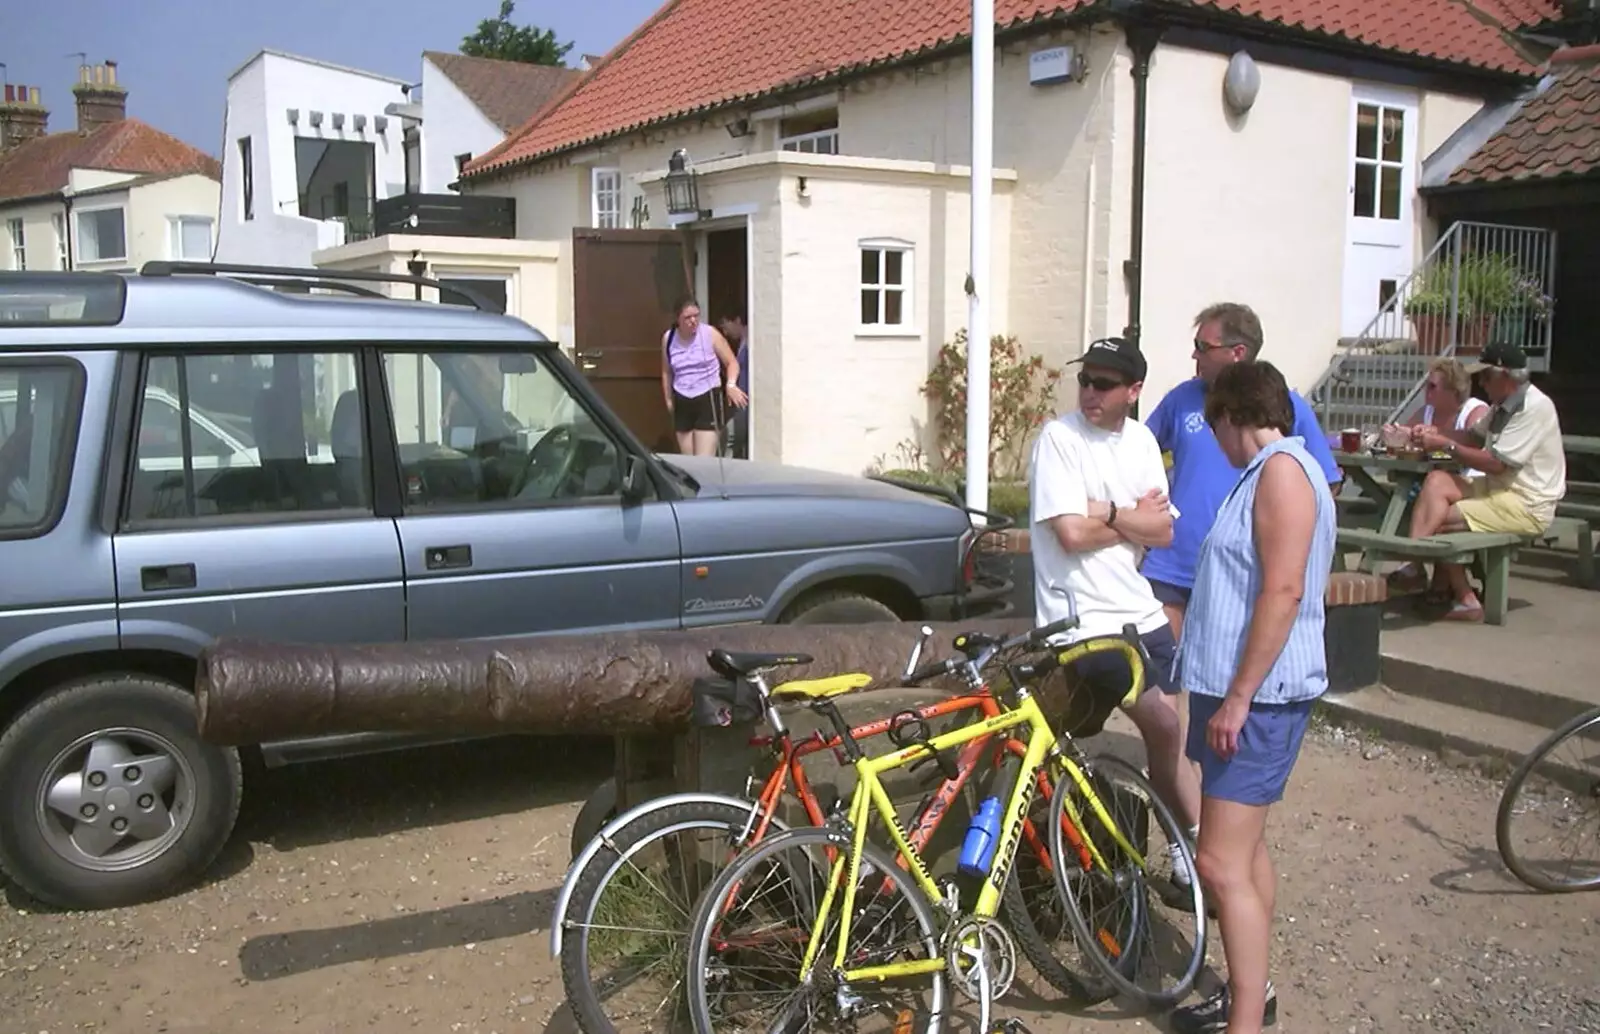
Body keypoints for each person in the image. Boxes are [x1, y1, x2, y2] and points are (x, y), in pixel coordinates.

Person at [1169, 360, 1336, 1034]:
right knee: (1245, 852)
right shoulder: (1264, 475)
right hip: (1231, 691)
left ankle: (1245, 1020)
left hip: (1258, 700)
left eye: (1216, 429)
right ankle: (1251, 992)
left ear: (1234, 416)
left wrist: (1239, 698)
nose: (1217, 442)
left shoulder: (1282, 474)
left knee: (1218, 861)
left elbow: (1284, 591)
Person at [1028, 336, 1203, 878]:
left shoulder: (1143, 442)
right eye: (1084, 380)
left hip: (1141, 610)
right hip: (1084, 623)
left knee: (1174, 732)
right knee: (1163, 722)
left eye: (1103, 384)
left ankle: (1189, 851)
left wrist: (1104, 510)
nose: (1089, 392)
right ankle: (1197, 850)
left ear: (1134, 391)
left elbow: (1166, 530)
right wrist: (1130, 519)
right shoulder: (1059, 439)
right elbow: (1071, 535)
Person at [1142, 302, 1342, 640]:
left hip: (1241, 575)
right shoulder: (1181, 398)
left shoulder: (1283, 406)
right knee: (1161, 683)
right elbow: (1139, 454)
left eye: (1203, 347)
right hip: (1172, 566)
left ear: (1238, 352)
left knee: (1221, 680)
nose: (1194, 355)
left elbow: (1324, 483)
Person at [1396, 340, 1567, 622]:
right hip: (1500, 490)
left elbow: (1497, 464)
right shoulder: (1503, 404)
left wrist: (1445, 445)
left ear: (1504, 375)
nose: (1481, 384)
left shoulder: (1533, 407)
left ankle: (1465, 600)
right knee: (1437, 480)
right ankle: (1414, 568)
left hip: (1528, 503)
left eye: (1485, 376)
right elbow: (1473, 437)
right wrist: (1434, 437)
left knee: (1438, 518)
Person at [1381, 357, 1491, 603]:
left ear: (1453, 391)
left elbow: (1474, 441)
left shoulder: (1475, 411)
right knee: (1416, 495)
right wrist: (1399, 434)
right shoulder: (1427, 411)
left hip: (1474, 484)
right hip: (1438, 483)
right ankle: (1439, 585)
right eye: (1426, 385)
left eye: (1432, 387)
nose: (1425, 391)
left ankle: (1417, 567)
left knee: (1432, 498)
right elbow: (1407, 436)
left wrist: (1439, 437)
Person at [661, 297, 746, 456]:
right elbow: (666, 371)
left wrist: (731, 384)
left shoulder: (710, 333)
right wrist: (668, 400)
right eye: (687, 317)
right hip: (682, 397)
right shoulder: (669, 338)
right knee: (689, 462)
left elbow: (732, 363)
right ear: (677, 319)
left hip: (707, 397)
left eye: (696, 316)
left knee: (703, 459)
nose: (693, 321)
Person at [718, 310, 751, 459]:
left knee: (730, 438)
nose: (725, 332)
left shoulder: (751, 343)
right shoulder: (742, 343)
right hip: (741, 404)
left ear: (737, 320)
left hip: (747, 404)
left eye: (726, 326)